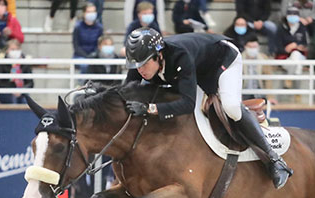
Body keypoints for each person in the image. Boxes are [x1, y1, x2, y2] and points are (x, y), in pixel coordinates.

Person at [122, 28, 293, 189]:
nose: (140, 70)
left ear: (158, 55)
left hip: (223, 59)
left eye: (144, 64)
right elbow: (125, 92)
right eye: (136, 65)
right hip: (197, 69)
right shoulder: (142, 64)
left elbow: (188, 104)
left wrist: (151, 109)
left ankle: (274, 160)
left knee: (231, 107)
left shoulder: (180, 55)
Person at [274, 6, 309, 91]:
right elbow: (277, 48)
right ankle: (298, 90)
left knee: (296, 54)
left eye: (295, 15)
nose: (293, 17)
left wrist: (297, 47)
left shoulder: (302, 28)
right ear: (286, 16)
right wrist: (286, 49)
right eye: (291, 15)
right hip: (284, 58)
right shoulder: (280, 28)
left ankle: (289, 79)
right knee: (297, 65)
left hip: (299, 55)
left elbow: (305, 45)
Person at [241, 34, 278, 105]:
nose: (252, 49)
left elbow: (268, 79)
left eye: (254, 47)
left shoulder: (263, 58)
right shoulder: (239, 59)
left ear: (258, 47)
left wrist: (270, 97)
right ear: (245, 47)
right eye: (250, 47)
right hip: (244, 94)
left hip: (260, 94)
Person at [0, 39, 33, 104]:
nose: (15, 51)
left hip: (22, 92)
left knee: (26, 101)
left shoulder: (25, 62)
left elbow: (30, 83)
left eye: (17, 49)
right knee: (13, 101)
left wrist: (21, 91)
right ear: (7, 50)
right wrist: (12, 90)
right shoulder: (1, 61)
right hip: (6, 92)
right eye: (12, 49)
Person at [72, 2, 104, 72]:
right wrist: (86, 56)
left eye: (93, 11)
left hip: (95, 56)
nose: (91, 14)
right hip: (80, 56)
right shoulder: (78, 27)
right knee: (85, 65)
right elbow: (76, 46)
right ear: (84, 13)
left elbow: (100, 45)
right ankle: (84, 82)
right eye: (89, 12)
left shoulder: (99, 28)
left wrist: (93, 55)